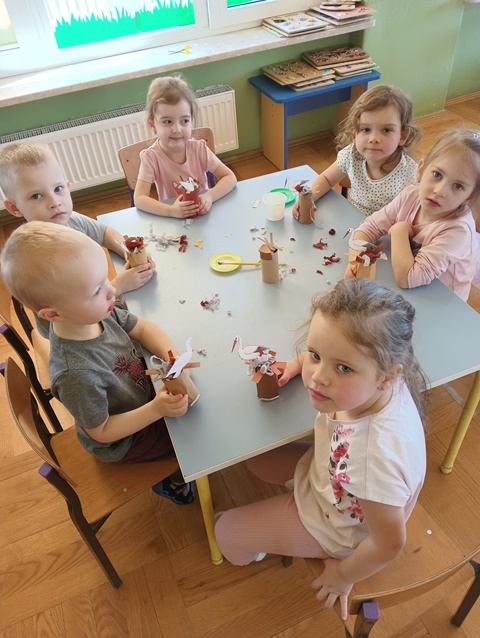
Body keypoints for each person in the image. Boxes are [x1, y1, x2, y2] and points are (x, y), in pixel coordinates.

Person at [215, 279, 427, 620]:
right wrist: (302, 361)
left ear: (387, 377)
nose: (317, 378)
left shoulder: (374, 461)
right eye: (316, 354)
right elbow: (334, 351)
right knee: (250, 456)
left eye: (343, 368)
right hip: (330, 476)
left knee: (225, 533)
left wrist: (343, 576)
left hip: (336, 529)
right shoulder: (379, 376)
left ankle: (257, 550)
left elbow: (388, 544)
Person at [0, 221, 195, 505]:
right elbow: (102, 432)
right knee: (190, 438)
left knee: (191, 414)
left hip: (141, 396)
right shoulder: (75, 374)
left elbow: (142, 329)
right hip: (125, 440)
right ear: (53, 314)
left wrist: (171, 356)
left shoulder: (96, 312)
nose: (111, 290)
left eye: (105, 279)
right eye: (96, 290)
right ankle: (173, 482)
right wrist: (157, 409)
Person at [0, 141, 156, 297]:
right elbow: (78, 307)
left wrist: (129, 253)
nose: (55, 202)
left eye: (58, 189)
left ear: (67, 187)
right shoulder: (36, 259)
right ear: (14, 208)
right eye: (36, 196)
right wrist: (118, 287)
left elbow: (104, 232)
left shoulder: (69, 219)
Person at [345, 128, 480, 302]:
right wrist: (356, 259)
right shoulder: (410, 196)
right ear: (421, 169)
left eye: (458, 186)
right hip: (408, 289)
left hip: (441, 303)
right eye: (437, 175)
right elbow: (369, 227)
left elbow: (408, 278)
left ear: (469, 197)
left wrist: (399, 230)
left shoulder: (458, 232)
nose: (440, 191)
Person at [293, 85, 420, 219]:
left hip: (387, 228)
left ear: (402, 136)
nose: (373, 139)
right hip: (352, 222)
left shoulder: (411, 175)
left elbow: (414, 217)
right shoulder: (351, 155)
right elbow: (327, 179)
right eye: (366, 129)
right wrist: (309, 197)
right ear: (354, 134)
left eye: (386, 130)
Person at [134, 75, 237, 218]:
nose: (177, 129)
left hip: (203, 216)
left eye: (184, 121)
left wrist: (209, 196)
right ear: (153, 125)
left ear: (191, 121)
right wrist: (171, 210)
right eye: (167, 122)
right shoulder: (151, 157)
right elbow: (139, 199)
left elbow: (230, 177)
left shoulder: (199, 149)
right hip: (173, 220)